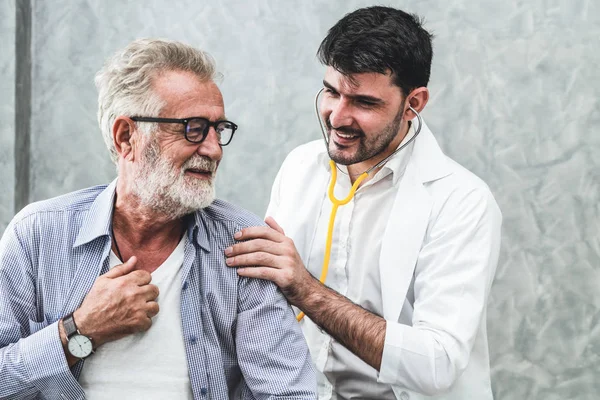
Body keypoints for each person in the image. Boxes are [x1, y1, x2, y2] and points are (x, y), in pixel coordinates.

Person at [0, 38, 316, 399]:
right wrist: (79, 331)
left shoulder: (244, 245)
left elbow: (289, 394)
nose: (213, 149)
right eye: (193, 128)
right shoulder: (37, 235)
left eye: (219, 129)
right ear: (126, 137)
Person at [225, 6, 502, 400]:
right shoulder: (300, 166)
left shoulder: (462, 202)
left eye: (364, 102)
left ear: (414, 103)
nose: (337, 117)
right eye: (332, 91)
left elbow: (437, 364)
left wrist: (306, 289)